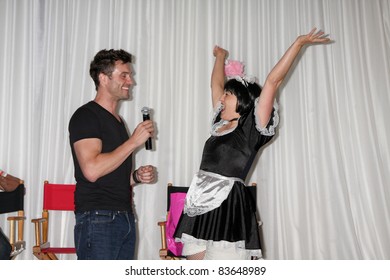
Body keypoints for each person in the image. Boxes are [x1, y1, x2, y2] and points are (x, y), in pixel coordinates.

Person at [174, 28, 331, 260]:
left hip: (228, 205)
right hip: (200, 201)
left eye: (228, 94)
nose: (221, 98)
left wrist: (298, 43)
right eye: (224, 94)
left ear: (243, 100)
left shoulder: (252, 130)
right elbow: (215, 85)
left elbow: (272, 81)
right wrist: (220, 57)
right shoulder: (219, 124)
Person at [68, 49, 156, 260]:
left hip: (124, 217)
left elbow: (110, 174)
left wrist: (135, 177)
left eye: (130, 75)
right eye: (124, 75)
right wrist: (133, 142)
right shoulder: (86, 116)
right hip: (98, 219)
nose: (131, 81)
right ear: (103, 78)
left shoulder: (118, 122)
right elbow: (91, 170)